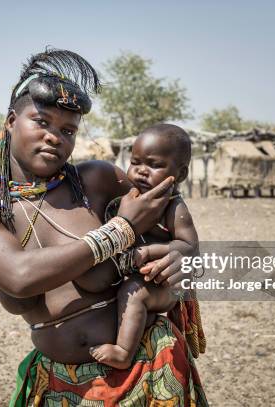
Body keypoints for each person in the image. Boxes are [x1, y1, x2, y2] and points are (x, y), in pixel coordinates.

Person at [0, 49, 207, 406]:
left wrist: (185, 257)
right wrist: (121, 230)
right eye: (41, 122)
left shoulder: (97, 180)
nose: (55, 136)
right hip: (60, 386)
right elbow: (20, 276)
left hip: (151, 365)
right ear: (12, 121)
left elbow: (173, 217)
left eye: (68, 129)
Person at [89, 124, 207, 370]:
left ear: (181, 174)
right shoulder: (127, 199)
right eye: (135, 162)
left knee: (133, 292)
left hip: (162, 284)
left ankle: (123, 353)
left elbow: (189, 246)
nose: (141, 171)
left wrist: (149, 252)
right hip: (139, 276)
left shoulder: (174, 207)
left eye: (154, 165)